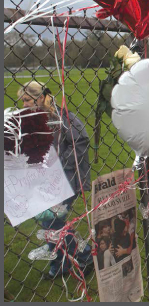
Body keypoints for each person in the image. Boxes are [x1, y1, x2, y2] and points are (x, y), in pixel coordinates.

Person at [17, 81, 93, 279]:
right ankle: (64, 262)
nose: (24, 104)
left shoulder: (60, 116)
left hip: (65, 180)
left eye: (27, 99)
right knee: (50, 223)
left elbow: (81, 140)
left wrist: (59, 163)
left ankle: (81, 257)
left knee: (53, 222)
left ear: (41, 97)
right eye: (22, 100)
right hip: (42, 181)